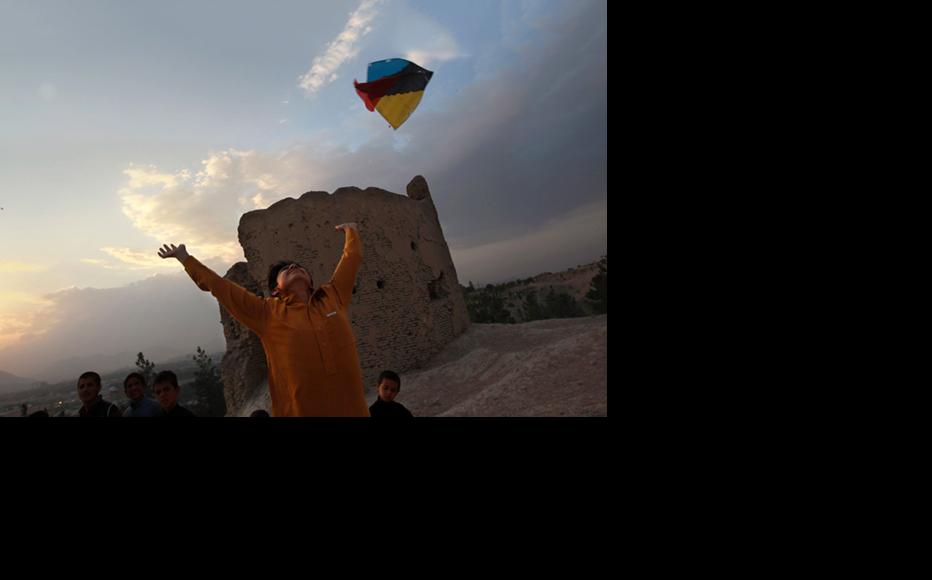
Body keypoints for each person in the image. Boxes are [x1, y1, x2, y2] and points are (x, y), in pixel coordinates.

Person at [158, 222, 369, 417]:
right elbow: (221, 287)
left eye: (297, 266)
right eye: (284, 270)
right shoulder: (267, 313)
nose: (292, 267)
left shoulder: (332, 297)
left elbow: (352, 258)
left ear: (311, 281)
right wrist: (185, 258)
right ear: (276, 290)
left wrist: (351, 231)